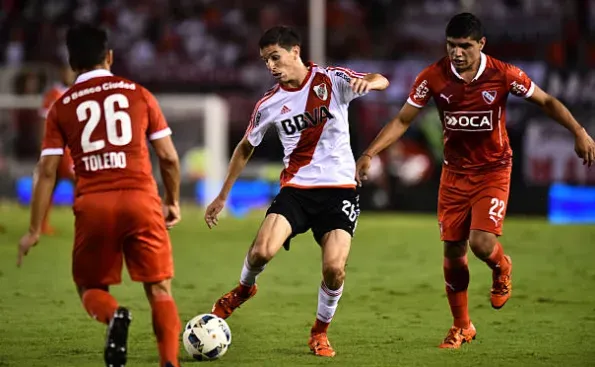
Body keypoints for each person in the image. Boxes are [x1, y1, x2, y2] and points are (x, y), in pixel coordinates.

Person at [355, 13, 595, 349]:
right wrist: (369, 153)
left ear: (481, 44)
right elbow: (403, 120)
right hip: (454, 173)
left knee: (480, 244)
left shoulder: (503, 73)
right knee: (453, 250)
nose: (457, 52)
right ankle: (462, 326)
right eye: (451, 45)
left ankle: (501, 265)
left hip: (494, 169)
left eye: (465, 46)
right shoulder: (433, 77)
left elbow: (547, 101)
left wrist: (579, 132)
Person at [204, 25, 389, 357]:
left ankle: (319, 332)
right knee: (261, 252)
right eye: (265, 61)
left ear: (295, 52)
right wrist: (222, 195)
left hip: (340, 191)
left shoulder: (331, 80)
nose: (271, 67)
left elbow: (381, 79)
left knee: (334, 269)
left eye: (275, 58)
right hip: (297, 190)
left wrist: (370, 82)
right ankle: (244, 290)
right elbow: (245, 147)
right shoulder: (269, 103)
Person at [16, 24, 183, 367]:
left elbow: (47, 171)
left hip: (93, 204)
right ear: (109, 56)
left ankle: (114, 315)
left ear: (72, 63)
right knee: (159, 289)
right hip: (141, 199)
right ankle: (170, 363)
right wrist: (172, 201)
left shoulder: (61, 106)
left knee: (89, 287)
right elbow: (167, 156)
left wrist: (34, 229)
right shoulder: (139, 93)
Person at [39, 63, 76, 235]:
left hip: (73, 147)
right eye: (66, 70)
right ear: (61, 72)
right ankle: (42, 223)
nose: (69, 74)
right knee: (53, 183)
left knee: (79, 183)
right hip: (57, 148)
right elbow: (43, 121)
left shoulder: (78, 92)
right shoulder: (53, 94)